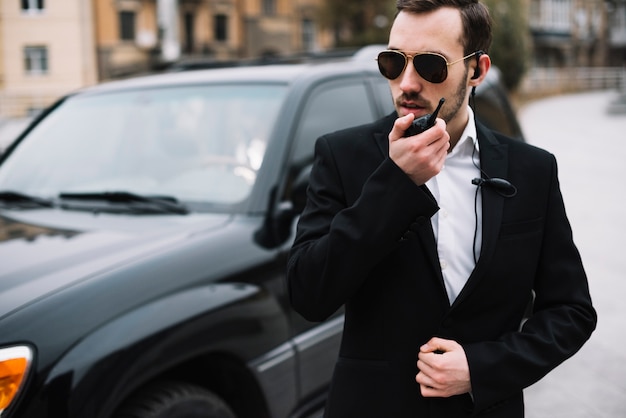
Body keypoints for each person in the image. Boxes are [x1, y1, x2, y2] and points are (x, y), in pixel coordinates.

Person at [286, 0, 597, 417]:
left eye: (431, 66)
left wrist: (482, 368)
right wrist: (395, 184)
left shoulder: (533, 170)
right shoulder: (342, 156)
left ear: (477, 71)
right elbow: (308, 295)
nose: (407, 83)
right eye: (393, 62)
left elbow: (571, 311)